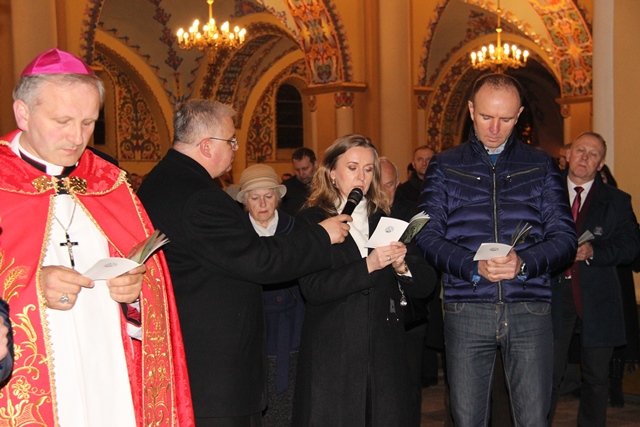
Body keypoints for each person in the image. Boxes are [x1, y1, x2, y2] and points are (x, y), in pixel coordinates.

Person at [0, 47, 193, 426]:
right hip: (31, 377)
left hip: (110, 373)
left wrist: (134, 295)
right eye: (63, 121)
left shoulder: (109, 182)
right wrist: (32, 286)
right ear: (22, 113)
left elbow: (153, 286)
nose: (77, 137)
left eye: (88, 122)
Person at [137, 99, 350, 426]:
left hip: (187, 353)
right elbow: (258, 260)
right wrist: (321, 236)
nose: (235, 149)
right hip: (214, 372)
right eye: (231, 141)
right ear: (206, 145)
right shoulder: (199, 197)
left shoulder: (160, 179)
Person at [415, 73, 577, 426]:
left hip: (529, 306)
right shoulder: (445, 165)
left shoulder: (541, 165)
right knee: (467, 419)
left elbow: (565, 239)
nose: (494, 128)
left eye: (505, 119)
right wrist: (472, 265)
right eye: (486, 116)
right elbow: (426, 235)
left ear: (518, 116)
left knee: (533, 418)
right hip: (467, 306)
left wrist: (524, 262)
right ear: (472, 110)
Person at [291, 134, 437, 427]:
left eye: (369, 169)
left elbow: (426, 285)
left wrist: (402, 265)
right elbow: (313, 288)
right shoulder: (312, 221)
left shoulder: (386, 218)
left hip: (384, 353)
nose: (362, 177)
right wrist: (367, 266)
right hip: (334, 353)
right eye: (353, 167)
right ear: (332, 172)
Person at [550, 131, 640, 426]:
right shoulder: (544, 191)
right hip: (552, 297)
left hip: (599, 297)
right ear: (568, 154)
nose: (584, 158)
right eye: (580, 151)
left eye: (593, 155)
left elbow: (631, 246)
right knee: (546, 375)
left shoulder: (616, 200)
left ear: (601, 164)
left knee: (596, 378)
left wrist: (594, 251)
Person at [235, 164, 303, 427]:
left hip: (292, 328)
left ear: (278, 197)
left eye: (268, 196)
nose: (263, 204)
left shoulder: (296, 229)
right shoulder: (235, 234)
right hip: (252, 330)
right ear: (245, 202)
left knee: (288, 402)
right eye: (255, 198)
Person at [280, 147, 317, 215]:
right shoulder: (286, 187)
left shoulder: (326, 185)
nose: (301, 174)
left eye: (305, 168)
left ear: (315, 164)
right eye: (297, 170)